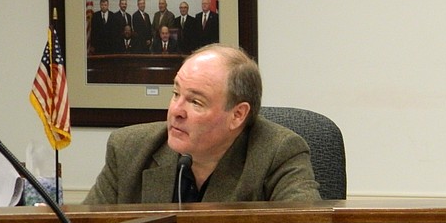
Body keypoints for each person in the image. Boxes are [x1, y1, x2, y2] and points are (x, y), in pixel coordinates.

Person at [83, 44, 321, 204]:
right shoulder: (128, 150)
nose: (176, 111)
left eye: (196, 102)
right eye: (176, 93)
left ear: (237, 115)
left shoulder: (278, 152)